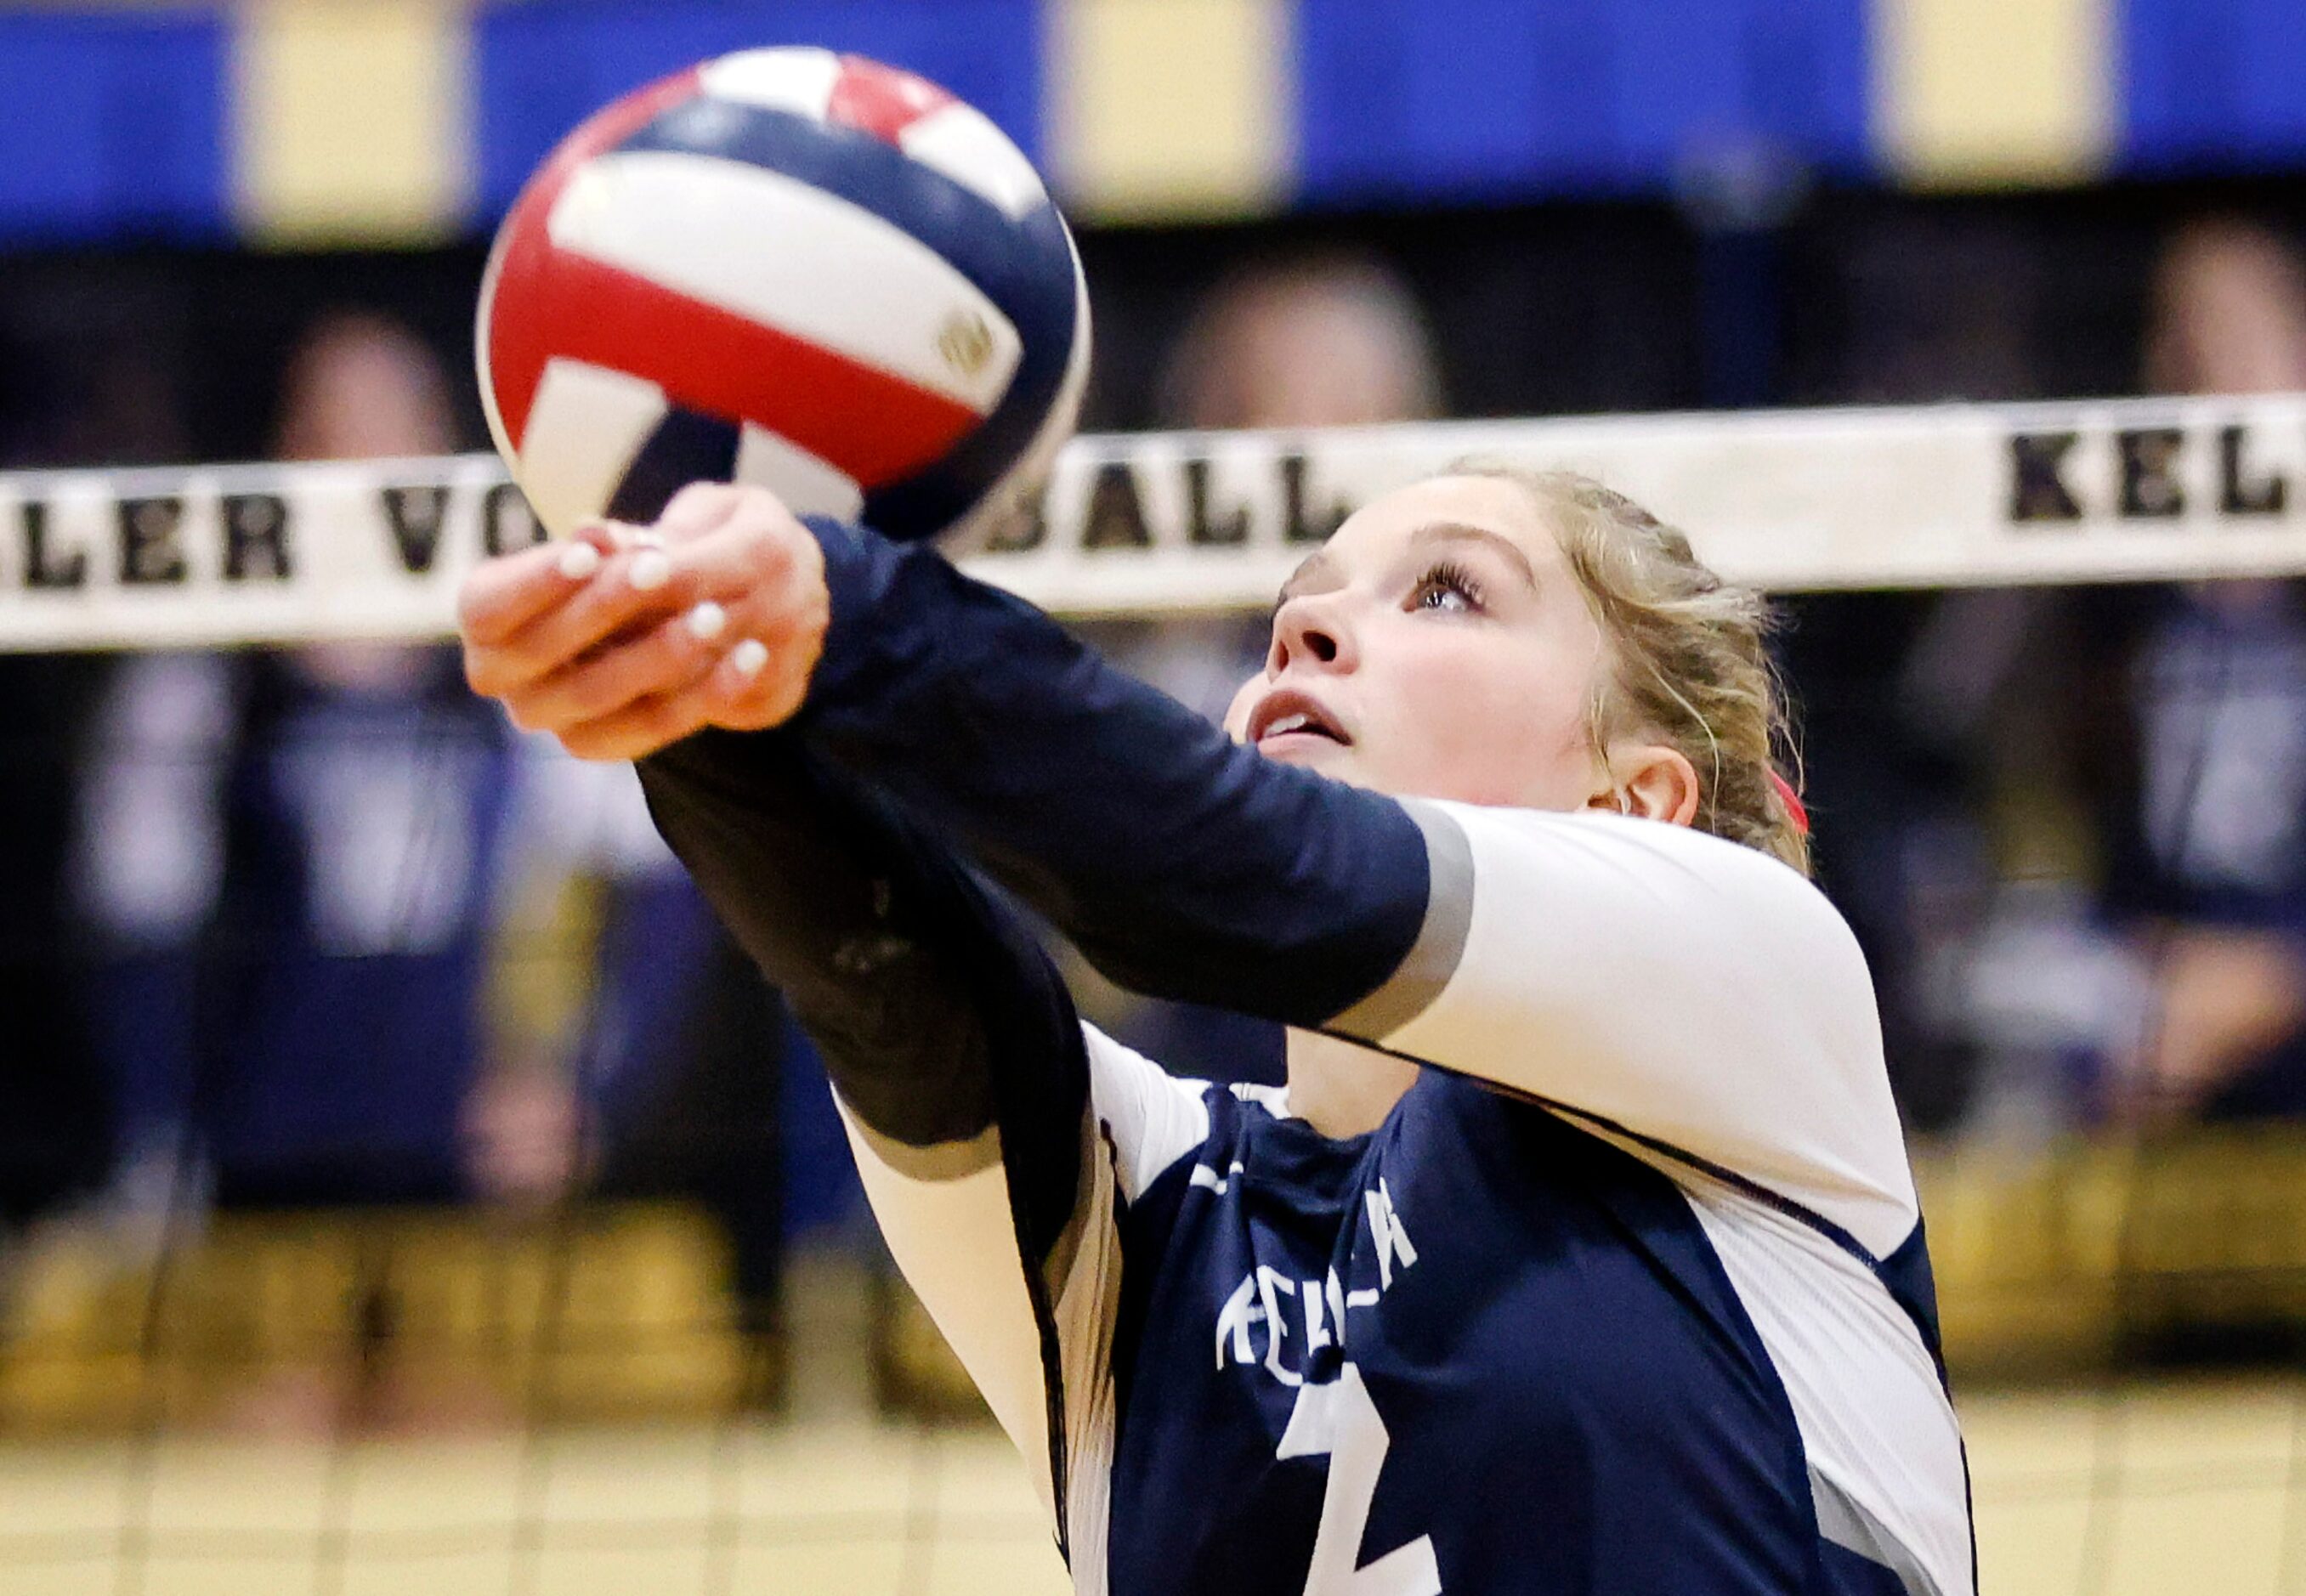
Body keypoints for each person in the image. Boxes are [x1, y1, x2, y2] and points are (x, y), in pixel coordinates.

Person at [458, 471, 1973, 1593]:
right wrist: (690, 676)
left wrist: (850, 602)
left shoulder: (1752, 987)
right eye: (1297, 600)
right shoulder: (1161, 1214)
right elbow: (890, 980)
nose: (1307, 623)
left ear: (1633, 798)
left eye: (1444, 590)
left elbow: (1221, 868)